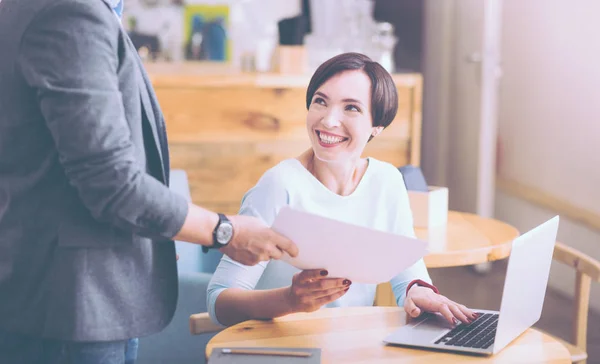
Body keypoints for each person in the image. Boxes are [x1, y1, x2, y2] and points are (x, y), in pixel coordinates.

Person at [0, 0, 297, 363]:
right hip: (75, 309)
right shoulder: (70, 12)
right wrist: (225, 231)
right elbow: (112, 182)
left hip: (67, 298)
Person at [207, 52, 477, 328]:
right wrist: (289, 300)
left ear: (377, 126)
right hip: (272, 347)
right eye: (320, 102)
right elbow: (219, 303)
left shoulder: (387, 181)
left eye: (351, 108)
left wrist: (419, 292)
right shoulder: (279, 185)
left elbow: (406, 273)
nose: (328, 120)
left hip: (348, 345)